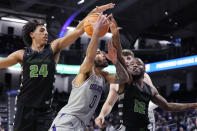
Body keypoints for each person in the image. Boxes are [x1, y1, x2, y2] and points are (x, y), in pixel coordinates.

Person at [0, 3, 115, 131]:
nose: (46, 33)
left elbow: (78, 30)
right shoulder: (21, 54)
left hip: (44, 110)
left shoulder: (53, 48)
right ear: (32, 34)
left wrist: (93, 12)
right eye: (42, 30)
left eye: (46, 31)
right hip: (24, 106)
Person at [95, 15, 197, 131]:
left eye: (137, 64)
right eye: (130, 64)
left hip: (145, 121)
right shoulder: (125, 81)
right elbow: (109, 102)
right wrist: (115, 35)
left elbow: (168, 106)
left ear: (144, 69)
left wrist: (194, 105)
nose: (134, 65)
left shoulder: (149, 86)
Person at [49, 13, 129, 131]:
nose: (103, 54)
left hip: (80, 124)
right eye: (99, 53)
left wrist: (116, 61)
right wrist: (96, 33)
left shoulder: (104, 76)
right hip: (67, 121)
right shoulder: (85, 71)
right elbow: (90, 57)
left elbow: (124, 79)